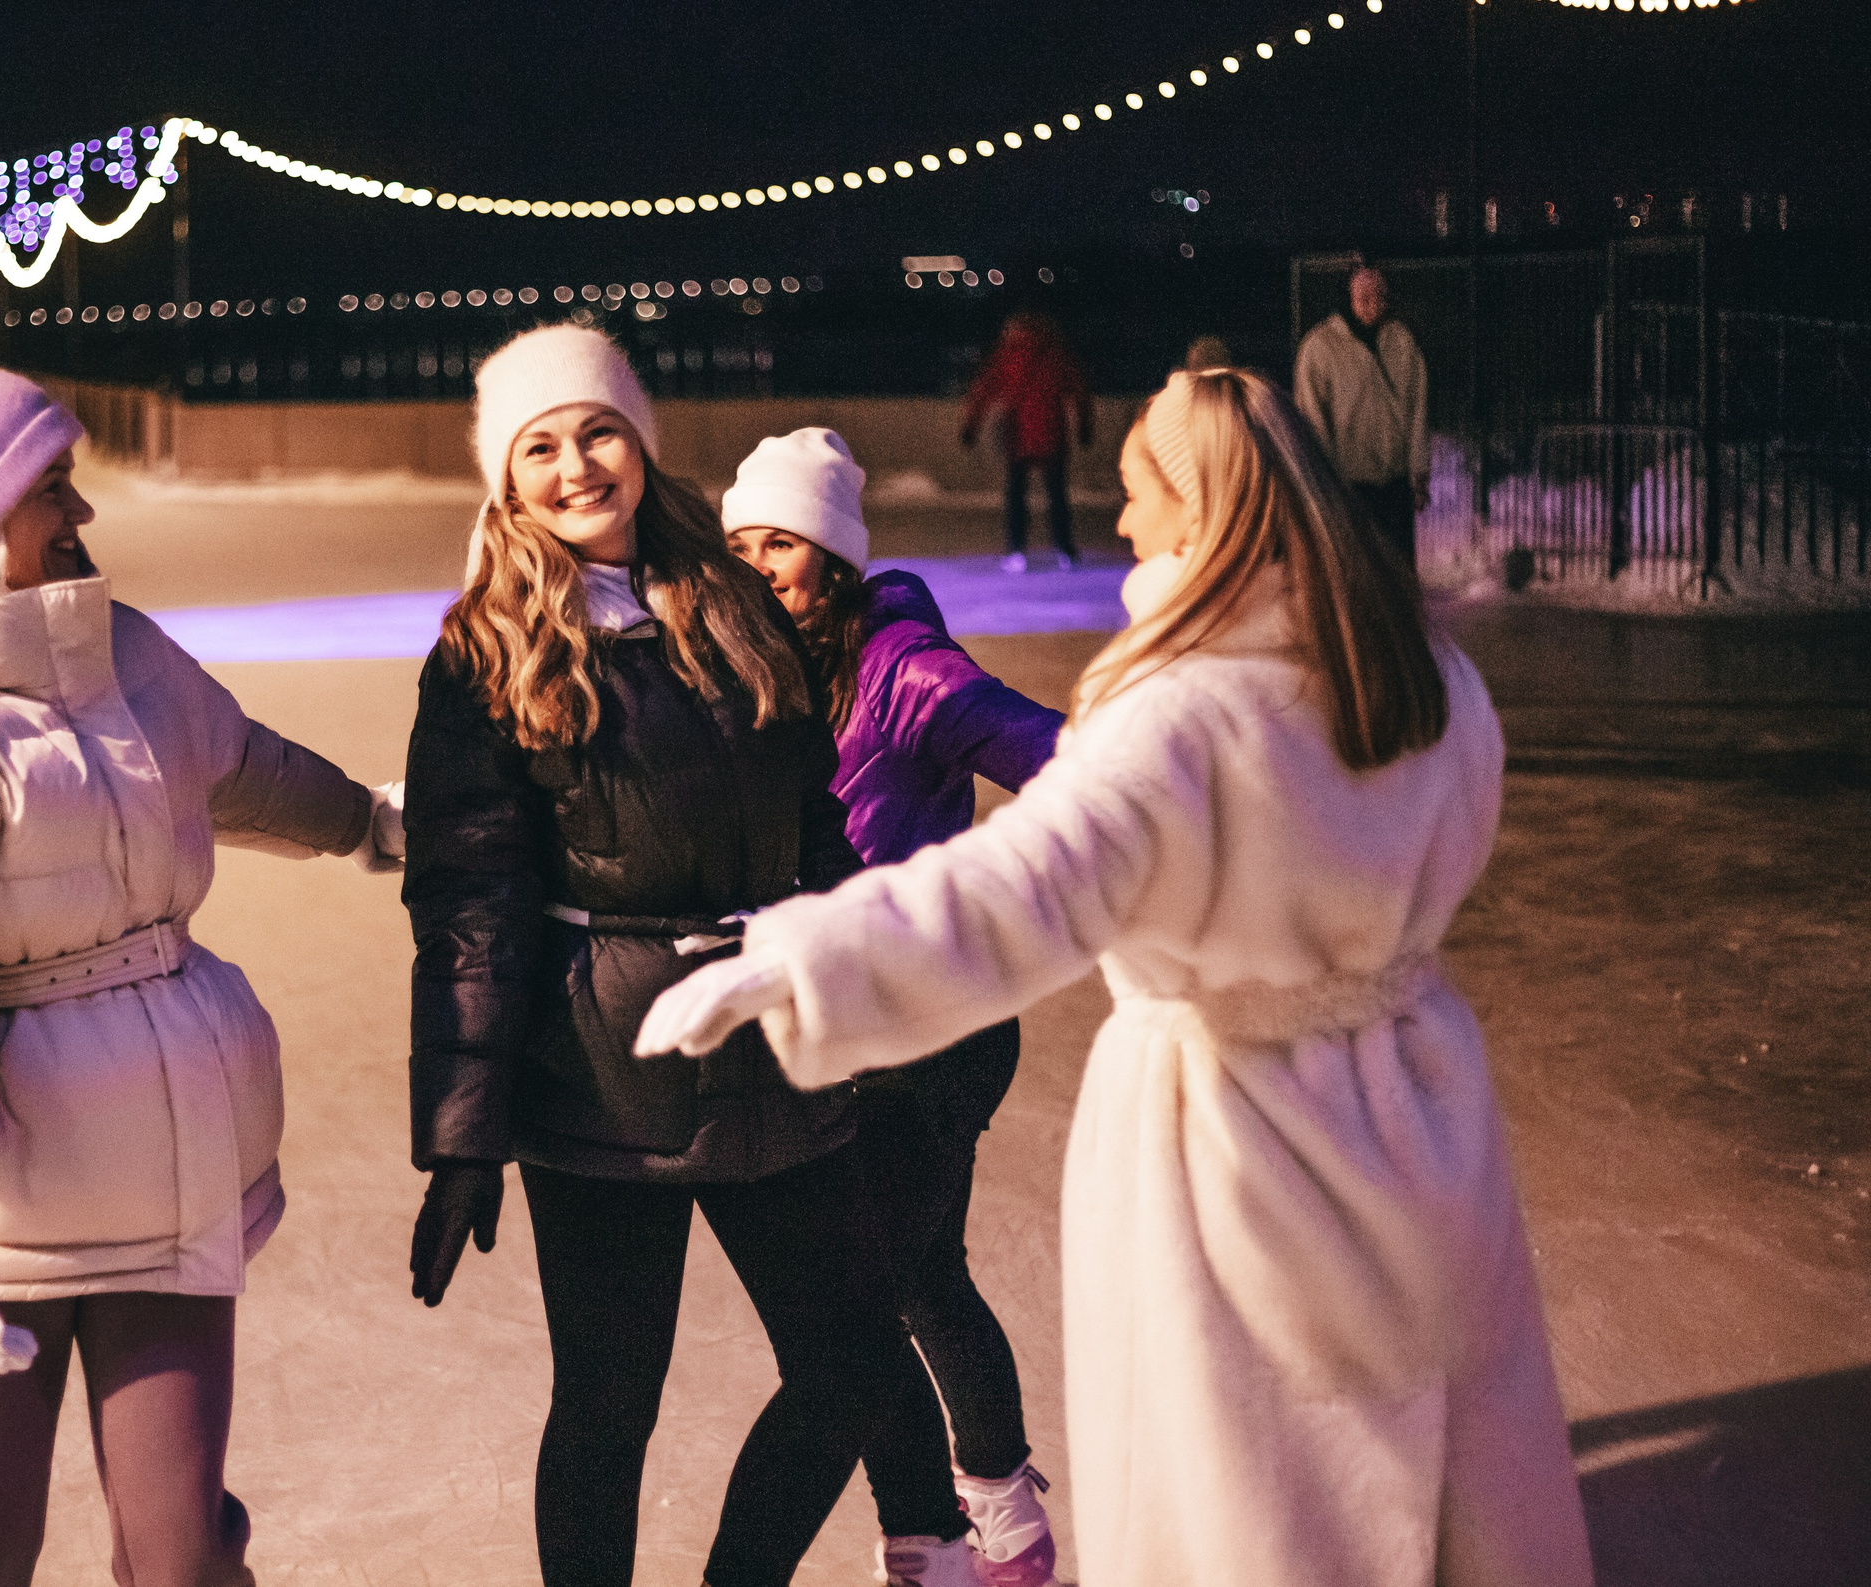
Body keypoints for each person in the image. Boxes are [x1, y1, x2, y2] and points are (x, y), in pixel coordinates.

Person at [644, 369, 1595, 1587]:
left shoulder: (1177, 715)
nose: (1125, 522)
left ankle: (974, 1515)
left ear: (1200, 512)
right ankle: (951, 1522)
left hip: (1237, 1134)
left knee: (1254, 1481)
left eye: (1141, 492)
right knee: (1426, 1445)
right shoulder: (1430, 686)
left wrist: (806, 959)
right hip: (1418, 1107)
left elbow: (1017, 891)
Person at [0, 347, 404, 1587]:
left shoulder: (118, 652)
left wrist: (369, 822)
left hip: (171, 1167)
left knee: (182, 1554)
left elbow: (240, 765)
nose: (83, 510)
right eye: (51, 487)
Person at [402, 326, 974, 1587]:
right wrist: (461, 1136)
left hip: (772, 1042)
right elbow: (467, 907)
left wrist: (876, 1007)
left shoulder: (729, 602)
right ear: (506, 481)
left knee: (854, 1358)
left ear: (641, 444)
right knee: (610, 1401)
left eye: (596, 432)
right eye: (538, 448)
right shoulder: (484, 653)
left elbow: (822, 823)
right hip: (603, 1075)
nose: (574, 467)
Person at [722, 428, 1065, 1586]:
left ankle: (962, 1527)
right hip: (838, 1031)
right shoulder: (758, 673)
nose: (758, 563)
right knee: (913, 1283)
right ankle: (968, 1520)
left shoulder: (912, 672)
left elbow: (1072, 773)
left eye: (781, 541)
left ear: (833, 554)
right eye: (740, 542)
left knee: (874, 1296)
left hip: (942, 1028)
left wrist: (993, 903)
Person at [1294, 264, 1429, 565]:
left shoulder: (1402, 342)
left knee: (1398, 569)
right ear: (1348, 298)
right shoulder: (1320, 348)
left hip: (1394, 480)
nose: (1373, 305)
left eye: (1379, 296)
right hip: (1350, 484)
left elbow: (1418, 410)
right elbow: (1313, 418)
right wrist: (1324, 481)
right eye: (1364, 298)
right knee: (1359, 571)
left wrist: (1418, 471)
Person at [960, 314, 1089, 575]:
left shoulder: (1007, 355)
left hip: (1018, 436)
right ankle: (1065, 550)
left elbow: (982, 390)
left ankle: (1016, 550)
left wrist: (970, 426)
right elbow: (1080, 391)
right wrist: (1086, 425)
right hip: (1052, 434)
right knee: (1057, 496)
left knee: (1017, 496)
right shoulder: (1056, 354)